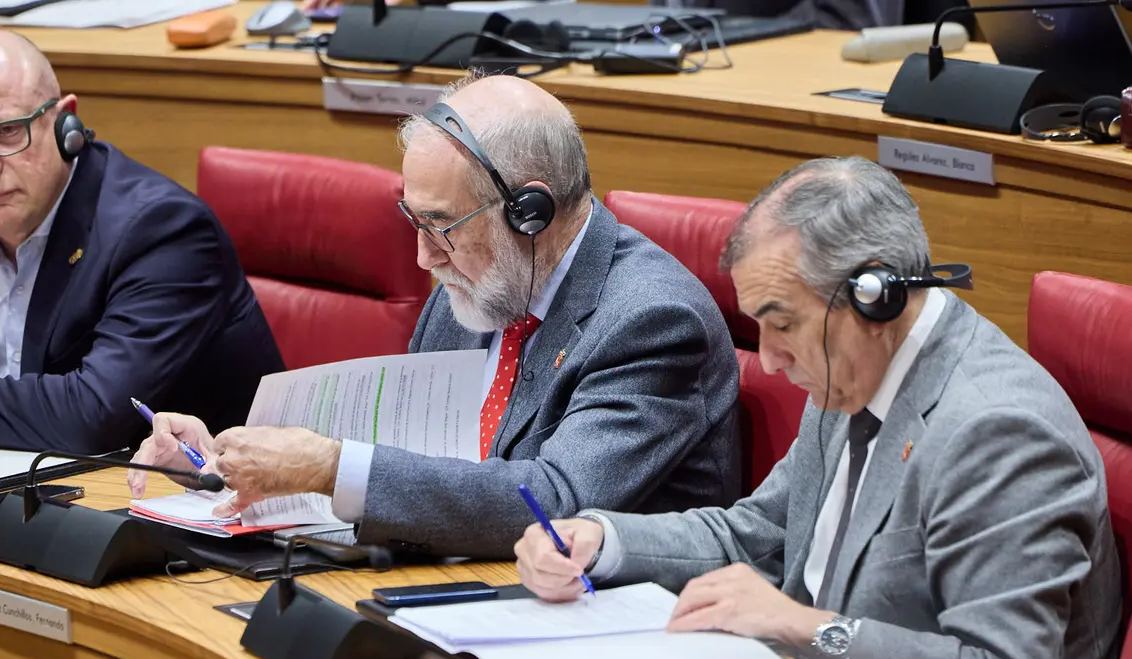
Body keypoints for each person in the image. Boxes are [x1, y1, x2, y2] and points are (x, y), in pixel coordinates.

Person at [514, 156, 1122, 659]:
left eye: (783, 324)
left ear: (876, 298)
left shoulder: (999, 433)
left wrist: (804, 626)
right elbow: (761, 533)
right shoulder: (853, 368)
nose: (771, 360)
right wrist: (599, 539)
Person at [128, 73, 742, 559]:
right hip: (464, 579)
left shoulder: (652, 320)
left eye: (442, 226)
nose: (425, 257)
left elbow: (557, 502)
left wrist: (329, 465)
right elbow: (411, 475)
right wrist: (226, 468)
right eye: (415, 221)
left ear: (532, 211)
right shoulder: (478, 280)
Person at [0, 31, 282, 455]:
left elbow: (94, 414)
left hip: (183, 503)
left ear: (65, 123)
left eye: (5, 132)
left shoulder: (162, 231)